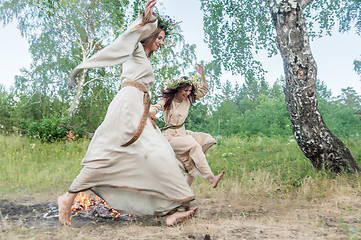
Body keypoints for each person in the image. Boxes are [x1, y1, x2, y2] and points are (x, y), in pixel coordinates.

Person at [57, 0, 197, 226]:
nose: (161, 42)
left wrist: (148, 110)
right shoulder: (135, 48)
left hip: (139, 107)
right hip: (126, 105)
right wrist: (147, 19)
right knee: (105, 155)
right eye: (158, 38)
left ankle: (168, 211)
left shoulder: (143, 57)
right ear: (149, 36)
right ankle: (67, 200)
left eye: (162, 39)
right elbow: (128, 35)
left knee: (159, 152)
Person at [149, 64, 225, 188]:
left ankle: (184, 198)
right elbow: (156, 106)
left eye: (190, 91)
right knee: (194, 145)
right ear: (179, 89)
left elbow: (204, 90)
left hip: (182, 133)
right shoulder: (168, 100)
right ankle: (211, 178)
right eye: (186, 90)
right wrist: (151, 112)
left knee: (191, 170)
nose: (188, 93)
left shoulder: (189, 99)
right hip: (170, 137)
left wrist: (202, 75)